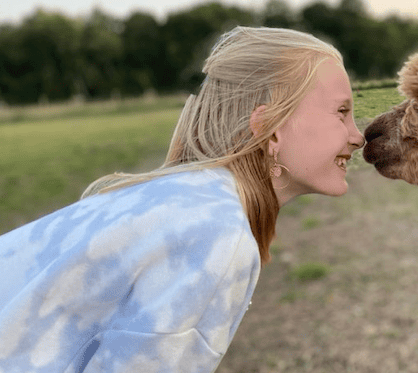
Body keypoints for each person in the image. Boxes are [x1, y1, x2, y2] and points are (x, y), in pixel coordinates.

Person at [0, 26, 364, 372]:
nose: (358, 136)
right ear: (270, 129)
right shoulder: (218, 236)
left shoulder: (185, 196)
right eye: (342, 112)